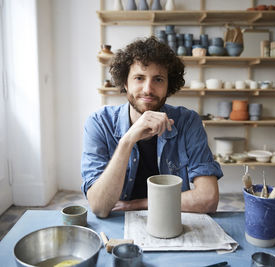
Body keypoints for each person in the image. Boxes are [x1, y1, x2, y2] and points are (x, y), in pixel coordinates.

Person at [81, 36, 223, 218]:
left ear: (168, 85)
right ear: (125, 83)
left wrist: (136, 205)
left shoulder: (187, 122)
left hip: (170, 219)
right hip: (118, 224)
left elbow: (208, 199)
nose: (148, 89)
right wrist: (128, 140)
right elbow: (100, 207)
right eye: (139, 78)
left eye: (158, 79)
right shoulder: (100, 123)